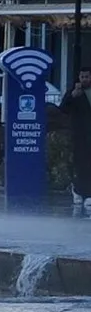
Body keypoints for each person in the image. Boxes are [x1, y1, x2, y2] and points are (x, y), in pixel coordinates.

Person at [62, 70, 91, 217]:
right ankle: (79, 191)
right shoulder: (73, 93)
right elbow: (63, 108)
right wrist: (72, 96)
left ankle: (88, 193)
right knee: (81, 163)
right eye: (82, 77)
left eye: (87, 77)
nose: (85, 79)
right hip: (80, 134)